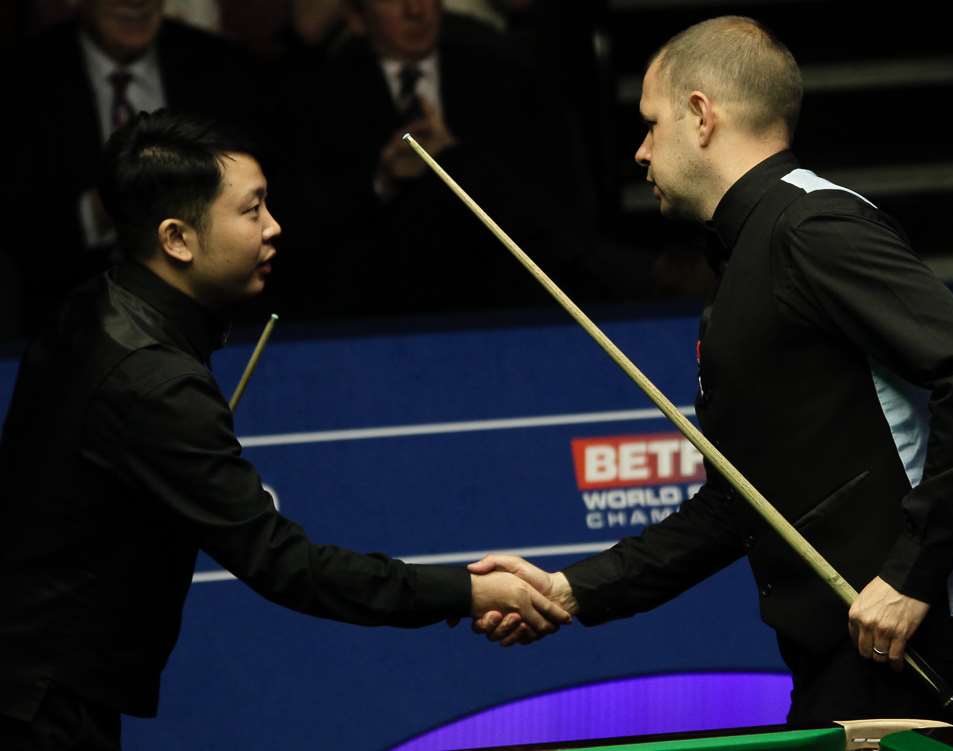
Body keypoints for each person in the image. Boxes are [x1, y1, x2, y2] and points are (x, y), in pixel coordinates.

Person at [467, 16, 953, 726]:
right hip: (850, 645)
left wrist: (911, 575)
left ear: (700, 115)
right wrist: (571, 589)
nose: (639, 151)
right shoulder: (748, 257)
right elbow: (739, 503)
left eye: (650, 123)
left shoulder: (810, 226)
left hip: (902, 640)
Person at [0, 110, 570, 750]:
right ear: (177, 238)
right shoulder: (151, 382)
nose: (274, 229)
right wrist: (466, 591)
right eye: (252, 210)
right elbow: (287, 566)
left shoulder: (94, 305)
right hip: (39, 702)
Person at [277, 0, 601, 318]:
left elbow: (550, 207)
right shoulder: (321, 98)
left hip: (501, 300)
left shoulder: (506, 76)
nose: (415, 10)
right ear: (357, 18)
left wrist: (456, 157)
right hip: (376, 310)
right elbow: (313, 233)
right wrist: (382, 181)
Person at [5, 0, 269, 333]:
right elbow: (17, 221)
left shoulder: (222, 66)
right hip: (66, 314)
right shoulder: (25, 78)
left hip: (213, 310)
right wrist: (101, 209)